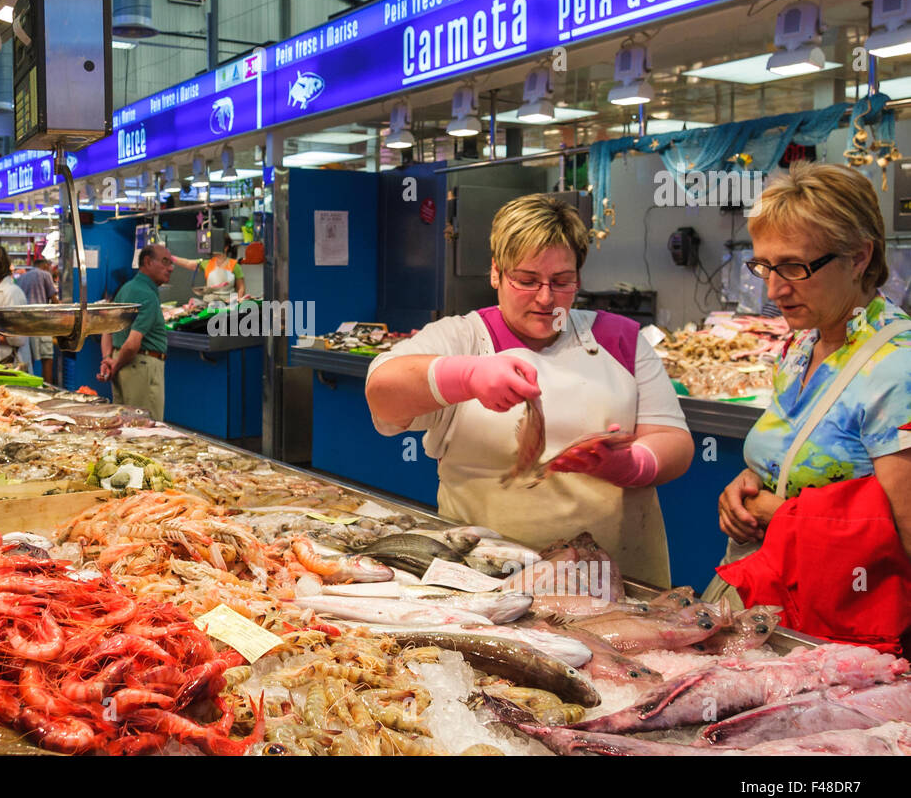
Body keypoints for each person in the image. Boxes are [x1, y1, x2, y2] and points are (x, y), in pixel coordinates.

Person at [364, 194, 694, 586]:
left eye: (562, 282)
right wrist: (465, 376)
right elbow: (382, 390)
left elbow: (673, 440)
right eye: (526, 280)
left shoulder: (619, 339)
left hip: (616, 576)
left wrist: (632, 464)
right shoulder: (462, 336)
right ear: (495, 273)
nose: (545, 298)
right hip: (486, 580)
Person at [708, 163, 911, 645]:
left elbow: (904, 531)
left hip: (846, 625)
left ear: (860, 256)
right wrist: (747, 484)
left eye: (795, 267)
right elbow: (803, 457)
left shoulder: (896, 368)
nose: (774, 290)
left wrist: (781, 514)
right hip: (777, 603)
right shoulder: (801, 347)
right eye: (764, 266)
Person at [100, 243, 172, 420]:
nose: (170, 268)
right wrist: (115, 365)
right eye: (164, 262)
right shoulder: (146, 295)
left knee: (123, 428)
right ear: (147, 262)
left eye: (171, 263)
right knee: (145, 432)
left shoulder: (126, 288)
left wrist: (107, 359)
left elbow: (107, 329)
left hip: (122, 364)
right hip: (140, 367)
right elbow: (132, 344)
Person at [16, 258, 59, 382]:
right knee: (47, 357)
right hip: (41, 322)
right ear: (45, 265)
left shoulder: (21, 278)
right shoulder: (45, 274)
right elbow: (53, 298)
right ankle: (48, 389)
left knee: (29, 358)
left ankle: (30, 385)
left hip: (24, 323)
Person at [170, 246, 245, 299]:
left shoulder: (235, 265)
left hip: (228, 303)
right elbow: (187, 263)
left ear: (226, 247)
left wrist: (238, 301)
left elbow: (241, 288)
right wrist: (170, 257)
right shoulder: (206, 263)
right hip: (209, 303)